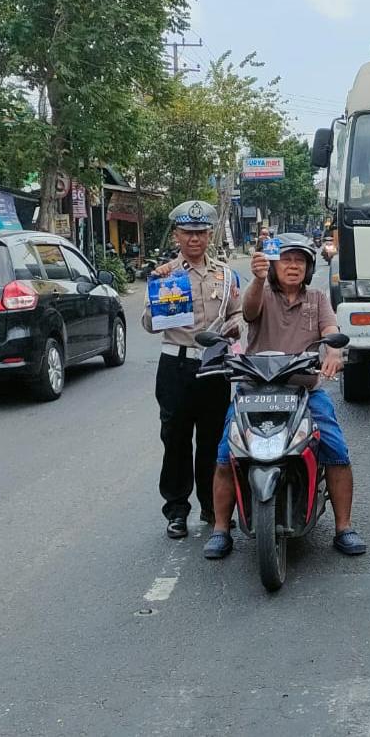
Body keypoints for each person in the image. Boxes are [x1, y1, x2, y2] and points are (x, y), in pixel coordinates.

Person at [204, 233, 367, 559]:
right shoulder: (261, 293)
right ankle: (221, 529)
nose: (292, 266)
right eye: (286, 260)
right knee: (226, 453)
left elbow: (330, 331)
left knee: (336, 450)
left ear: (308, 267)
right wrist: (258, 278)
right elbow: (249, 312)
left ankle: (344, 527)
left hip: (304, 392)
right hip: (255, 391)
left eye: (299, 261)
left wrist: (333, 349)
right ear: (274, 265)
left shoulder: (318, 298)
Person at [142, 200, 242, 539]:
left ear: (210, 234)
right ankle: (176, 510)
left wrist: (235, 326)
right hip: (176, 364)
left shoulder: (225, 275)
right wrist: (158, 299)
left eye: (200, 232)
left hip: (214, 364)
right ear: (177, 236)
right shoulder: (165, 275)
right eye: (187, 232)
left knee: (213, 439)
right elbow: (147, 324)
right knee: (176, 438)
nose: (194, 239)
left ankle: (213, 506)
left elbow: (238, 313)